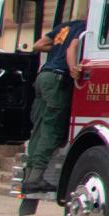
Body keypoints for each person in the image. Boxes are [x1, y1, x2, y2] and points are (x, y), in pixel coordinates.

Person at [22, 13, 85, 195]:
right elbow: (71, 49)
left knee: (39, 128)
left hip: (43, 77)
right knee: (52, 128)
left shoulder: (64, 27)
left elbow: (38, 45)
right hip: (58, 80)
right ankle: (36, 178)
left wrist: (56, 50)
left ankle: (29, 175)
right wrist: (73, 68)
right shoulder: (84, 27)